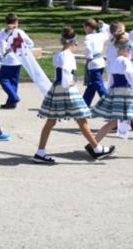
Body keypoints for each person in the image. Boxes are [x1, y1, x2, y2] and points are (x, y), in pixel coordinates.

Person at [34, 27, 115, 164]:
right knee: (81, 119)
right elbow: (66, 73)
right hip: (68, 89)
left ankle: (40, 152)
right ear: (74, 41)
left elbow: (59, 73)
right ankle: (97, 148)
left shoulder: (58, 55)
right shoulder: (68, 56)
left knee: (52, 121)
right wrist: (70, 85)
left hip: (58, 89)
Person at [92, 33, 133, 158]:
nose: (130, 51)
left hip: (116, 91)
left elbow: (112, 79)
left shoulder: (114, 61)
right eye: (129, 49)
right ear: (124, 49)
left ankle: (93, 144)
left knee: (113, 121)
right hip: (126, 93)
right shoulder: (125, 61)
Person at [0, 13, 33, 110]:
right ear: (16, 22)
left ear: (6, 22)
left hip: (8, 59)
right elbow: (30, 44)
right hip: (18, 59)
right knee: (13, 81)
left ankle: (14, 97)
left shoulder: (3, 32)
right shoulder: (20, 32)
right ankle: (11, 103)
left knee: (2, 78)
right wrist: (22, 49)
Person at [82, 19, 109, 106]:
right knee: (92, 85)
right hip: (100, 61)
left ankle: (108, 103)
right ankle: (85, 103)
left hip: (93, 63)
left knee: (98, 84)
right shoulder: (101, 35)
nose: (84, 29)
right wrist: (104, 25)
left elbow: (88, 49)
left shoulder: (88, 37)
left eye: (84, 27)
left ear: (88, 27)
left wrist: (88, 56)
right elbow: (108, 32)